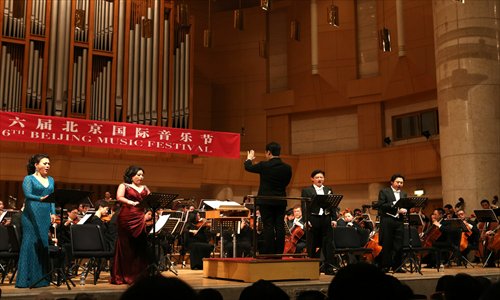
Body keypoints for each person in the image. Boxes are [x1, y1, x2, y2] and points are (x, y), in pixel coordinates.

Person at [16, 154, 57, 288]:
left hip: (45, 215)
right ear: (36, 165)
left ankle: (41, 278)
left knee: (42, 243)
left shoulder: (51, 179)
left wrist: (53, 213)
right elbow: (27, 194)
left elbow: (52, 197)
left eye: (49, 163)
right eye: (45, 163)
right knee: (30, 243)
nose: (47, 166)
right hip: (31, 214)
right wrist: (40, 199)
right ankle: (26, 279)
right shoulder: (29, 179)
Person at [244, 142, 292, 255]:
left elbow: (248, 167)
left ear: (268, 152)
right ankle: (279, 252)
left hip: (265, 201)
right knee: (279, 225)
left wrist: (249, 158)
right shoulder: (287, 167)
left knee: (268, 225)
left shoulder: (264, 165)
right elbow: (286, 182)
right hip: (280, 201)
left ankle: (270, 252)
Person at [110, 165, 152, 285]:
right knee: (126, 246)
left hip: (140, 217)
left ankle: (139, 275)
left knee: (140, 245)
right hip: (126, 217)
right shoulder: (124, 185)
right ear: (131, 175)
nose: (141, 177)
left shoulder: (145, 187)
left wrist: (148, 212)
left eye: (142, 175)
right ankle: (125, 275)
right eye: (138, 174)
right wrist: (131, 202)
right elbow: (119, 197)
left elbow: (151, 200)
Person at [301, 169, 336, 274]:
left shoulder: (328, 189)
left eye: (321, 177)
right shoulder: (307, 190)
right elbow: (304, 206)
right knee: (311, 244)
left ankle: (329, 268)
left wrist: (333, 219)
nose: (319, 179)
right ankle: (311, 269)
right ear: (312, 179)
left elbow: (333, 205)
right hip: (313, 219)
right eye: (317, 177)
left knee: (328, 244)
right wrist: (306, 220)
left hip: (326, 218)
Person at [376, 173, 408, 273]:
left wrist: (405, 209)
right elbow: (381, 205)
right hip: (387, 220)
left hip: (399, 220)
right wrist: (394, 204)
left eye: (401, 183)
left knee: (399, 243)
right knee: (387, 243)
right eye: (398, 182)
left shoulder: (403, 194)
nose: (399, 184)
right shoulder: (384, 191)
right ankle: (385, 266)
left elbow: (404, 205)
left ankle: (397, 266)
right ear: (392, 182)